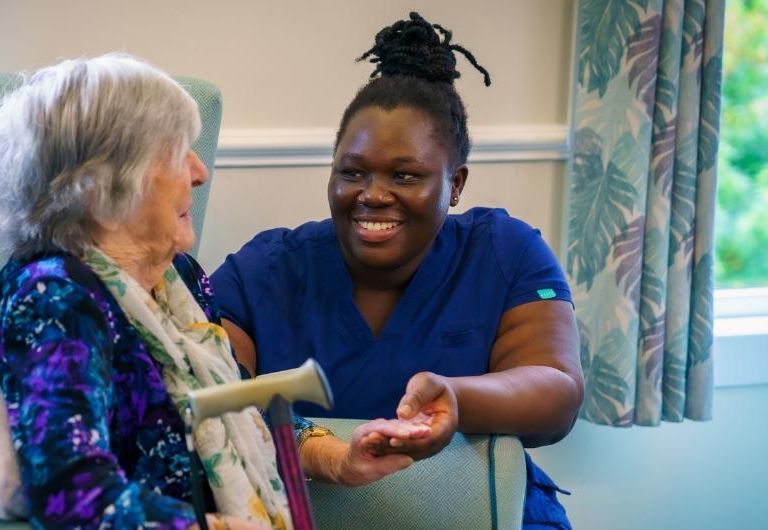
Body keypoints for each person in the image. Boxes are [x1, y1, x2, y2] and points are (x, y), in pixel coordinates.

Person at [0, 53, 422, 530]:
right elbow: (71, 496)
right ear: (102, 188)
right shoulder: (54, 299)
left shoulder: (176, 277)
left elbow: (236, 403)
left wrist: (339, 459)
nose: (200, 172)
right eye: (176, 154)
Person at [210, 13, 585, 529]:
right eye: (352, 171)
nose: (372, 195)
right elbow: (212, 399)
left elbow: (558, 393)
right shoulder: (265, 270)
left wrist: (458, 397)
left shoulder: (503, 251)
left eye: (405, 175)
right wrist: (322, 452)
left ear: (455, 185)